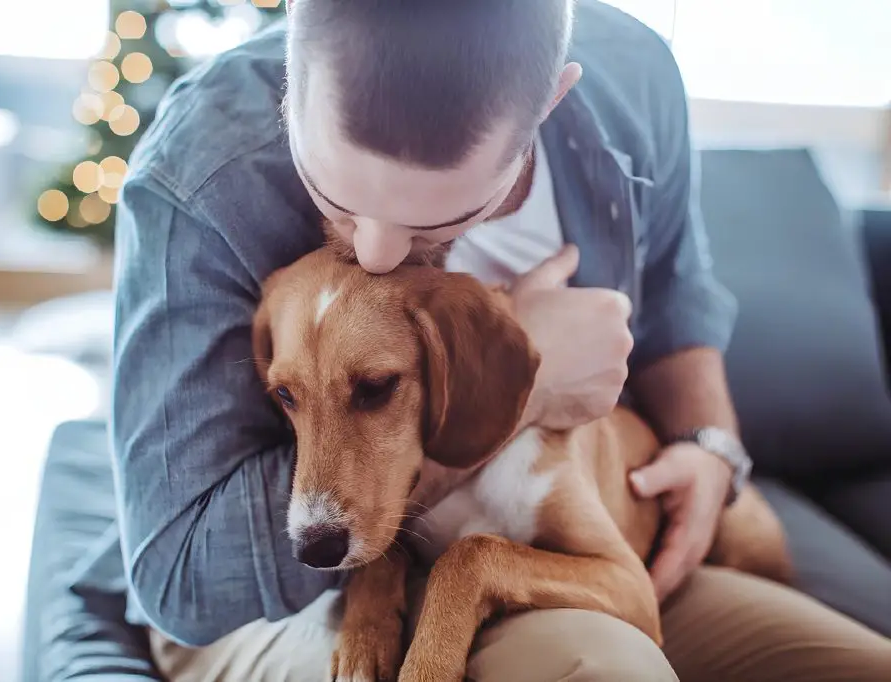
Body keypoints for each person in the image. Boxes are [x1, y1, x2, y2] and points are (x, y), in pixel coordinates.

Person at [110, 1, 891, 680]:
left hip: (579, 561)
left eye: (436, 220)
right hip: (268, 601)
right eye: (335, 192)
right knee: (601, 667)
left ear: (546, 105)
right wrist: (530, 385)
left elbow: (679, 284)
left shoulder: (638, 75)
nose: (377, 254)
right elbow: (181, 582)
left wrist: (710, 445)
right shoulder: (196, 174)